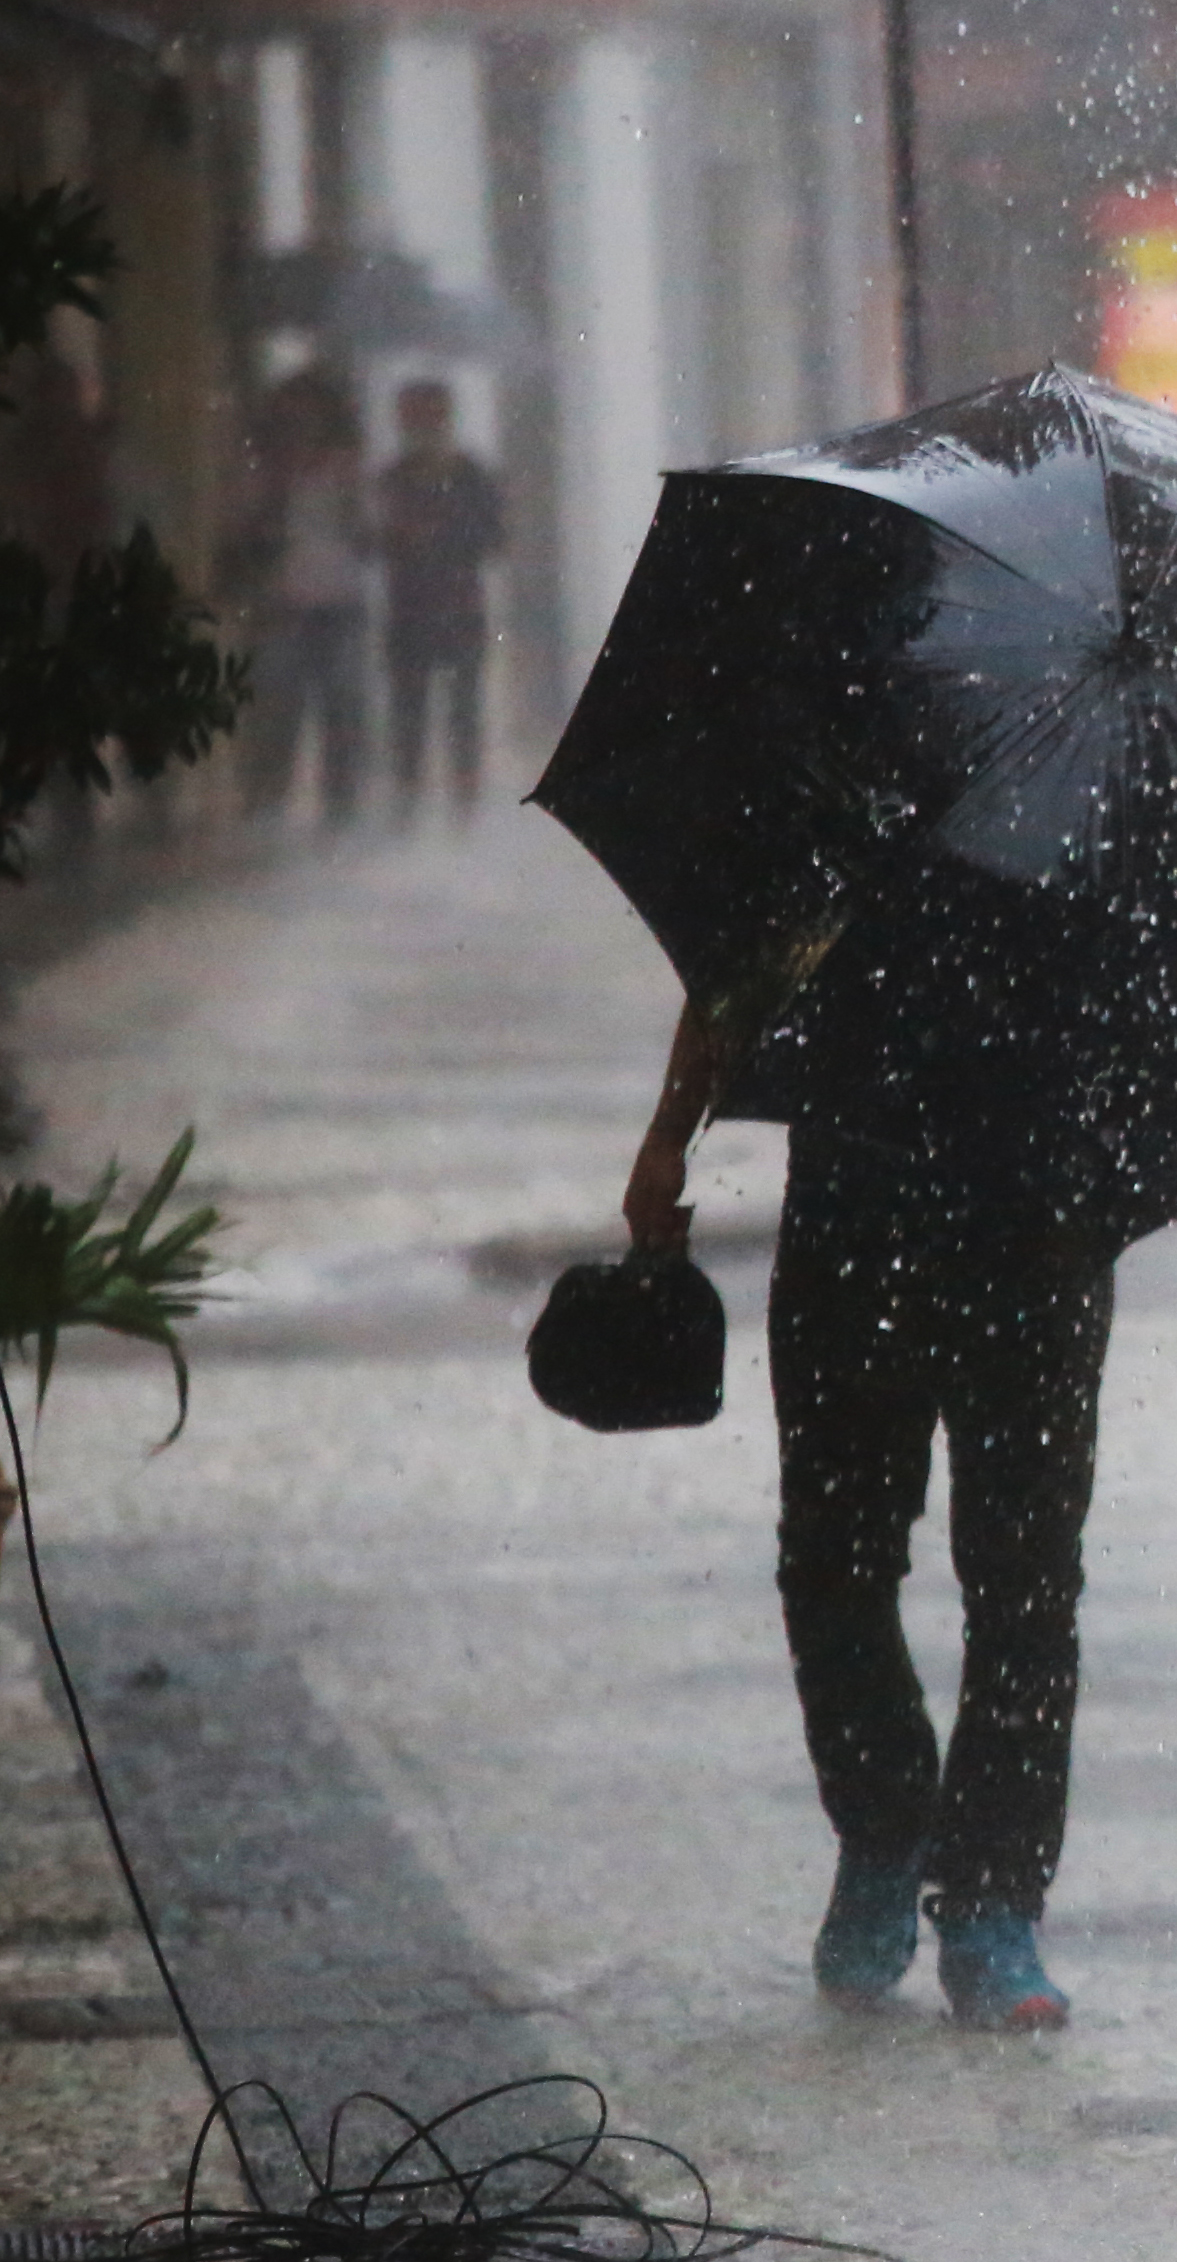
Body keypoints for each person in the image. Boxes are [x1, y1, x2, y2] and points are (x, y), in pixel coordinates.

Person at [621, 970, 1105, 2033]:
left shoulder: (1105, 812)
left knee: (1025, 1577)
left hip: (1043, 1219)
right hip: (856, 1203)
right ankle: (884, 1824)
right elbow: (732, 949)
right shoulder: (841, 806)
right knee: (833, 1556)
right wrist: (671, 1131)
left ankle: (995, 1900)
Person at [223, 369, 370, 824]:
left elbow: (366, 532)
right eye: (291, 415)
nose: (301, 424)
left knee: (341, 705)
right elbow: (243, 532)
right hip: (282, 602)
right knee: (276, 704)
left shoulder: (348, 468)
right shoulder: (263, 469)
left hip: (339, 599)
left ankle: (340, 802)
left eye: (309, 414)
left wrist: (348, 495)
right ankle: (268, 796)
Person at [372, 379, 506, 818]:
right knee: (408, 707)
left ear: (445, 418)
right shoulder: (391, 478)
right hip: (408, 608)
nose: (418, 424)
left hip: (460, 606)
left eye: (428, 414)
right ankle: (407, 791)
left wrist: (446, 532)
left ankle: (464, 795)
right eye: (411, 415)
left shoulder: (472, 475)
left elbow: (495, 538)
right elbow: (371, 541)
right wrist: (398, 534)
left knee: (463, 708)